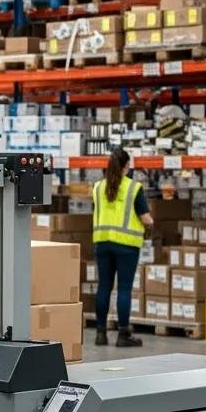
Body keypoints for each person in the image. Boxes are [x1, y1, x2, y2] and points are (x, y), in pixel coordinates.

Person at [92, 147, 154, 347]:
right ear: (126, 166)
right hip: (126, 246)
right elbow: (146, 218)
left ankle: (100, 333)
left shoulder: (98, 187)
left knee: (104, 286)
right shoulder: (133, 188)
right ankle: (123, 334)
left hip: (102, 242)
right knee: (124, 289)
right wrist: (151, 224)